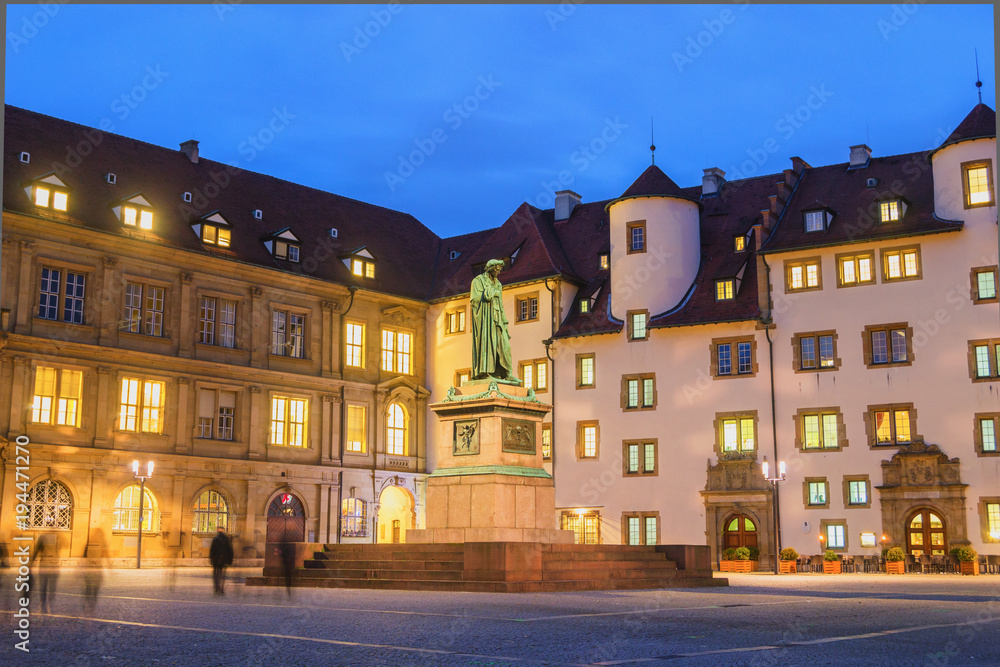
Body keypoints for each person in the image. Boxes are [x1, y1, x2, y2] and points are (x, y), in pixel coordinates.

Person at [470, 259, 517, 381]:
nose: (498, 272)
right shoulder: (478, 281)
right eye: (496, 269)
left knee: (505, 345)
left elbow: (500, 304)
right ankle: (485, 372)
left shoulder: (498, 284)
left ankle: (507, 373)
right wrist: (489, 294)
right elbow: (474, 301)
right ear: (490, 268)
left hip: (498, 319)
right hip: (485, 320)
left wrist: (505, 322)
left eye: (499, 270)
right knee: (489, 345)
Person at [209, 527, 234, 595]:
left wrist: (211, 558)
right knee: (222, 574)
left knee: (216, 574)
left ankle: (217, 587)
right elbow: (230, 550)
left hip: (216, 559)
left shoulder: (215, 539)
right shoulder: (226, 539)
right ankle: (221, 587)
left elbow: (212, 550)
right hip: (223, 558)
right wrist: (230, 560)